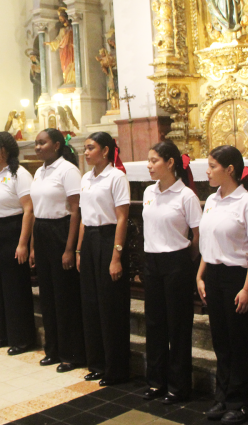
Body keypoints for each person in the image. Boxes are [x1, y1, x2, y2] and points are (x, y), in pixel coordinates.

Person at [196, 145, 248, 425]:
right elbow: (208, 241)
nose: (207, 172)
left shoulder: (247, 202)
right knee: (220, 339)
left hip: (236, 276)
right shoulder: (212, 200)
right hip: (213, 274)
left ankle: (241, 401)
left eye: (212, 166)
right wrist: (200, 275)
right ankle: (222, 396)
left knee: (238, 340)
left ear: (230, 169)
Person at [140, 141, 203, 404]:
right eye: (148, 160)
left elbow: (198, 235)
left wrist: (185, 260)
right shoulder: (149, 191)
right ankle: (156, 382)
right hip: (151, 261)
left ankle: (178, 386)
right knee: (154, 324)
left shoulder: (185, 195)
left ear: (170, 163)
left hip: (177, 262)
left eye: (154, 160)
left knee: (177, 326)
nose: (149, 165)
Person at [29, 128, 86, 372]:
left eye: (42, 143)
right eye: (36, 143)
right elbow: (36, 210)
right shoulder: (39, 171)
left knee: (65, 296)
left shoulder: (68, 170)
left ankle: (71, 354)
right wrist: (33, 246)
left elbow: (75, 210)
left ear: (56, 145)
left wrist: (70, 248)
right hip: (42, 231)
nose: (37, 147)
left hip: (61, 231)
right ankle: (52, 349)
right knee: (48, 295)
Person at [76, 132, 130, 385]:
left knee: (110, 306)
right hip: (89, 239)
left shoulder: (116, 177)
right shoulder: (86, 177)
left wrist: (116, 255)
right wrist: (79, 250)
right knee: (90, 303)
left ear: (106, 150)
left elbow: (122, 217)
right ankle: (96, 363)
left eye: (91, 148)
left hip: (109, 238)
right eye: (85, 148)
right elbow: (84, 217)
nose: (86, 152)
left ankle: (116, 368)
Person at [0, 132, 37, 355]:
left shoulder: (19, 174)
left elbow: (29, 209)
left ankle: (22, 338)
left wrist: (23, 243)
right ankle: (2, 334)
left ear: (9, 148)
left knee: (15, 287)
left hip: (13, 230)